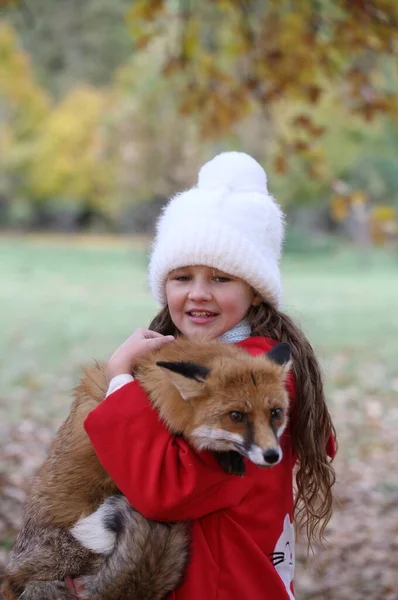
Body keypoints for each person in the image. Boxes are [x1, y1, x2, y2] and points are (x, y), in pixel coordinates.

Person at [82, 152, 336, 600]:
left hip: (225, 584)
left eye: (220, 278)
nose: (198, 294)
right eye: (182, 277)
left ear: (254, 289)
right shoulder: (200, 361)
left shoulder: (253, 376)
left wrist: (120, 377)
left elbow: (168, 491)